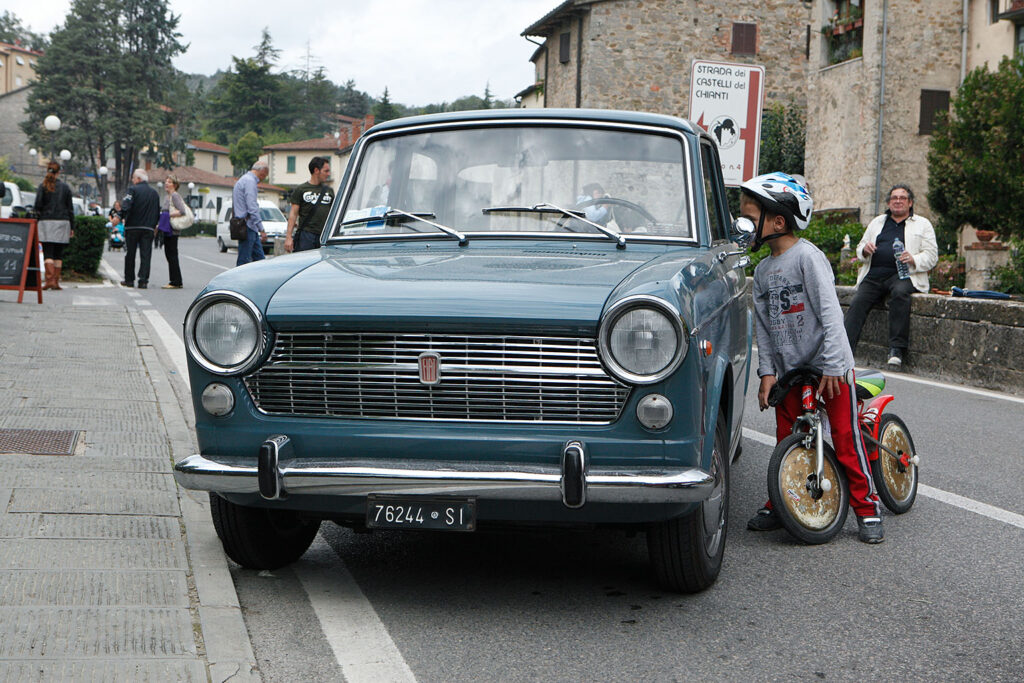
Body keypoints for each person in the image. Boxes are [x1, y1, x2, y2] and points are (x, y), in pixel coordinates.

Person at [742, 172, 884, 544]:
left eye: (750, 217)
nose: (744, 224)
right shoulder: (762, 271)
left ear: (777, 222)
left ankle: (867, 507)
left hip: (827, 367)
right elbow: (764, 329)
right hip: (790, 371)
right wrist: (767, 372)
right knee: (786, 439)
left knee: (845, 438)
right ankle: (783, 503)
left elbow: (831, 315)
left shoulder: (808, 257)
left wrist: (835, 365)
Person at [843, 184, 938, 368]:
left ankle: (896, 349)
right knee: (858, 301)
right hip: (875, 275)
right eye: (894, 198)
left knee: (900, 294)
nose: (898, 201)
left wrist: (914, 259)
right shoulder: (877, 222)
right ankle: (845, 350)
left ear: (910, 203)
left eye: (903, 198)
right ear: (888, 203)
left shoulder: (923, 224)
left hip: (904, 274)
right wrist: (865, 250)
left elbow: (932, 256)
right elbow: (860, 247)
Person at [32, 161, 75, 291]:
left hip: (46, 222)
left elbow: (37, 206)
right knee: (58, 253)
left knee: (48, 252)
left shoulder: (43, 186)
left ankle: (49, 280)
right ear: (59, 172)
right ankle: (55, 281)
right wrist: (72, 226)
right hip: (63, 222)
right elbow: (70, 208)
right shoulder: (65, 188)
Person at [118, 169, 160, 289]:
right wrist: (154, 226)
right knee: (146, 254)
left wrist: (119, 216)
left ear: (138, 179)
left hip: (133, 227)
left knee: (130, 254)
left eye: (133, 178)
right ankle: (143, 280)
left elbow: (126, 205)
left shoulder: (132, 190)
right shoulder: (154, 193)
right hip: (148, 228)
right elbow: (157, 211)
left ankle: (129, 280)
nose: (132, 180)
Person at [284, 156, 334, 253]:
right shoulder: (301, 189)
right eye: (326, 171)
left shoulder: (329, 190)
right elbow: (293, 214)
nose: (328, 174)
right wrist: (288, 237)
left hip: (325, 236)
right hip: (306, 235)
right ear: (316, 170)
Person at [233, 160, 269, 266]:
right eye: (265, 176)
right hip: (248, 225)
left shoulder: (243, 180)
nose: (263, 179)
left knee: (259, 260)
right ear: (262, 172)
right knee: (245, 260)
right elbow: (252, 207)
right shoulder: (250, 182)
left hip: (245, 225)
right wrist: (261, 229)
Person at [159, 175, 187, 288]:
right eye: (166, 181)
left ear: (175, 185)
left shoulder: (175, 196)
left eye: (169, 182)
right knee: (169, 254)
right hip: (167, 228)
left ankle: (176, 281)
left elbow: (182, 211)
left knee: (172, 255)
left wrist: (168, 215)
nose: (166, 183)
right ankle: (175, 280)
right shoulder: (168, 196)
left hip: (172, 230)